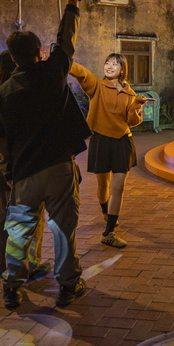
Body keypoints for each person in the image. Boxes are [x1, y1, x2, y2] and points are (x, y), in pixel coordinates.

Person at [0, 0, 92, 309]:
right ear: (39, 52)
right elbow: (66, 39)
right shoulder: (53, 72)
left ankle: (12, 287)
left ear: (12, 57)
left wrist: (8, 173)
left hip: (23, 174)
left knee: (19, 231)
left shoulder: (2, 93)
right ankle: (68, 286)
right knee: (63, 228)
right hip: (59, 167)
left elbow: (0, 141)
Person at [69, 54, 154, 248]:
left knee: (118, 187)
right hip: (101, 141)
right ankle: (106, 213)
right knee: (103, 186)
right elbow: (82, 73)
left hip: (122, 141)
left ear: (122, 69)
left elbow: (132, 121)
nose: (109, 66)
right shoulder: (97, 86)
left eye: (114, 64)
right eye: (107, 63)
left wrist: (137, 105)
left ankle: (108, 232)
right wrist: (64, 61)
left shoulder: (130, 94)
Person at [0, 50, 50, 282]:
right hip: (21, 173)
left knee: (4, 221)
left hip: (1, 175)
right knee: (29, 221)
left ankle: (4, 267)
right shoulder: (14, 96)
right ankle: (26, 267)